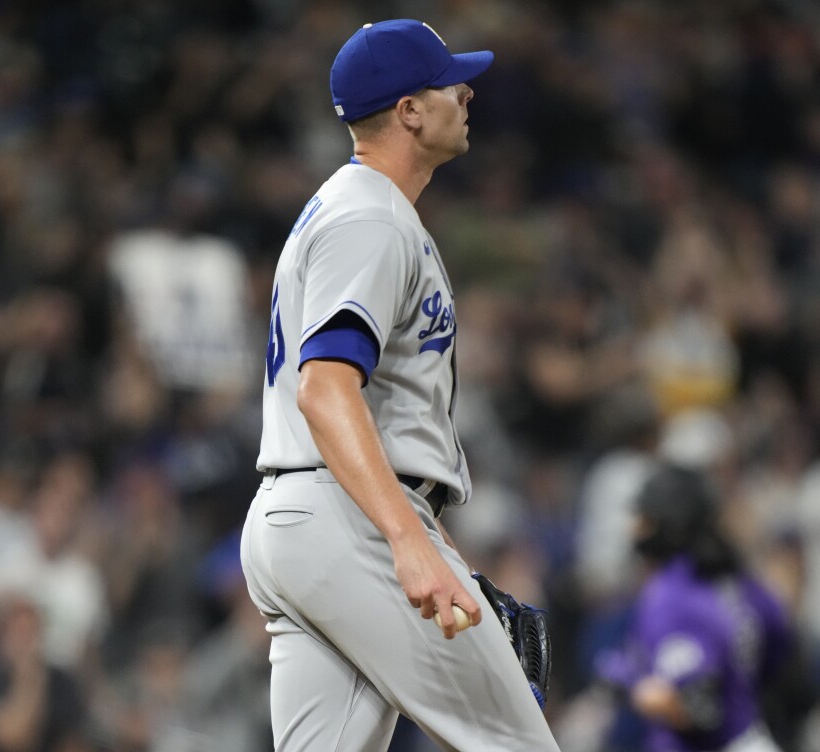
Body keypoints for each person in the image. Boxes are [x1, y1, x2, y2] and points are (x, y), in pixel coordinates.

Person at [239, 18, 561, 752]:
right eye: (451, 81)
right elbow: (326, 391)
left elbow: (379, 428)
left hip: (311, 516)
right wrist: (409, 542)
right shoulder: (371, 219)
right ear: (411, 109)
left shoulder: (356, 210)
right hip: (342, 520)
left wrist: (440, 548)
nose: (468, 91)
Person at [596, 463, 792, 752]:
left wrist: (630, 683)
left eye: (644, 518)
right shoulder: (741, 582)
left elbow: (697, 708)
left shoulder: (672, 593)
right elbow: (780, 651)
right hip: (752, 736)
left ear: (670, 523)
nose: (635, 528)